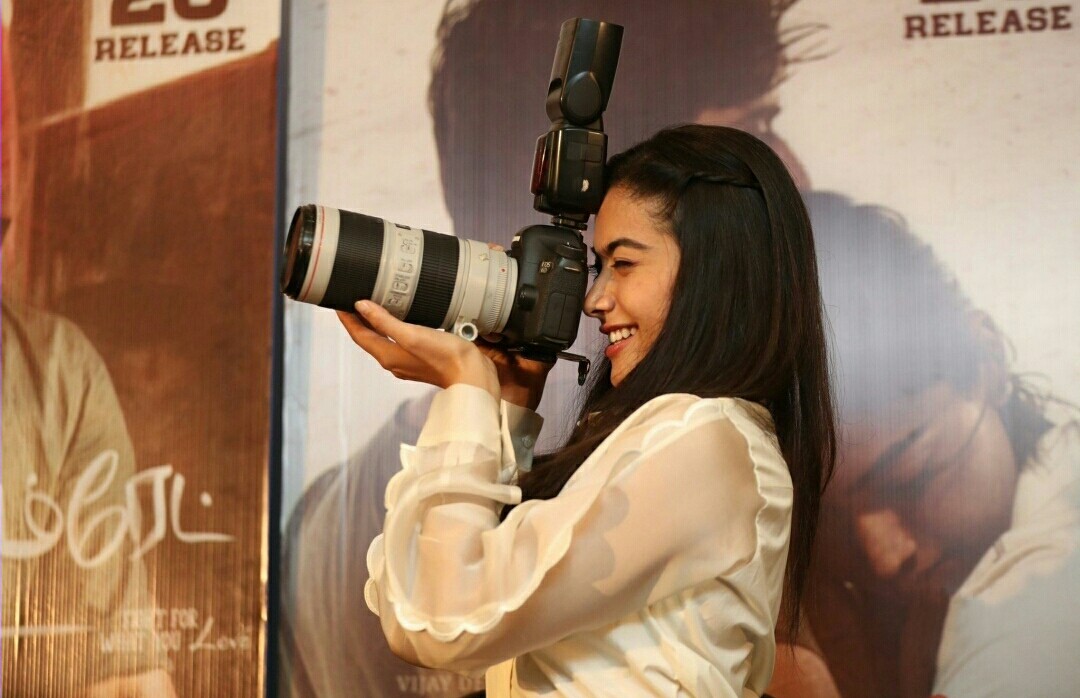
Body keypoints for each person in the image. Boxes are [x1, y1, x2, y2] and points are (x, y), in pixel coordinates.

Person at [280, 3, 824, 695]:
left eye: (623, 265)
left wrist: (467, 392)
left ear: (715, 268)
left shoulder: (707, 439)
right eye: (595, 268)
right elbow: (425, 614)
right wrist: (505, 400)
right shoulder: (676, 441)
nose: (594, 301)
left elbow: (445, 623)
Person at [789, 193, 1080, 698]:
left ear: (985, 356)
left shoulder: (1018, 628)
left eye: (912, 480)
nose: (884, 557)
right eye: (828, 523)